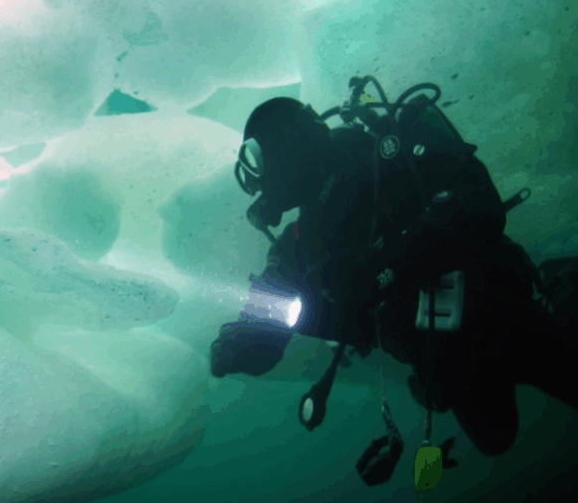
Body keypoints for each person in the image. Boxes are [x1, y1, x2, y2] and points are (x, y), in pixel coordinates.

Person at [209, 79, 577, 466]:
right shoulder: (299, 244)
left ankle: (564, 285)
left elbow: (478, 205)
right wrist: (239, 344)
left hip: (502, 310)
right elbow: (268, 322)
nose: (256, 180)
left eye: (257, 157)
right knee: (495, 437)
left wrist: (384, 267)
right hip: (449, 355)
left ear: (285, 148)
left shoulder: (388, 156)